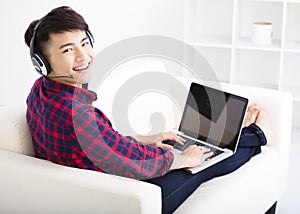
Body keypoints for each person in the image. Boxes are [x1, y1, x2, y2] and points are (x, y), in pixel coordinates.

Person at [24, 6, 271, 214]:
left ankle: (235, 132)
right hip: (123, 194)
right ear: (42, 63)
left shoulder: (41, 92)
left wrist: (147, 140)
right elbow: (123, 162)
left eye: (85, 43)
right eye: (67, 50)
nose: (83, 56)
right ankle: (252, 133)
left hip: (95, 181)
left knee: (181, 144)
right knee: (207, 161)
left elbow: (99, 146)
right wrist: (180, 159)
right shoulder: (76, 115)